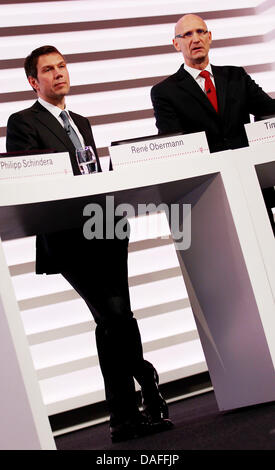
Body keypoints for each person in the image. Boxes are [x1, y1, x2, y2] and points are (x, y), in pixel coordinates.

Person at [6, 45, 173, 442]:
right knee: (115, 315)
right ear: (34, 81)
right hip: (67, 237)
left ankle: (124, 417)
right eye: (49, 70)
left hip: (106, 228)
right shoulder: (22, 121)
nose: (59, 74)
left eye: (62, 66)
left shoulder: (81, 120)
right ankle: (146, 380)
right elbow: (30, 178)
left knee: (113, 320)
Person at [151, 14, 275, 233]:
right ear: (176, 44)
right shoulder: (165, 92)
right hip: (206, 191)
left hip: (249, 184)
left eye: (200, 32)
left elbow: (269, 111)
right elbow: (174, 144)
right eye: (187, 34)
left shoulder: (236, 76)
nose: (195, 39)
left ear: (210, 37)